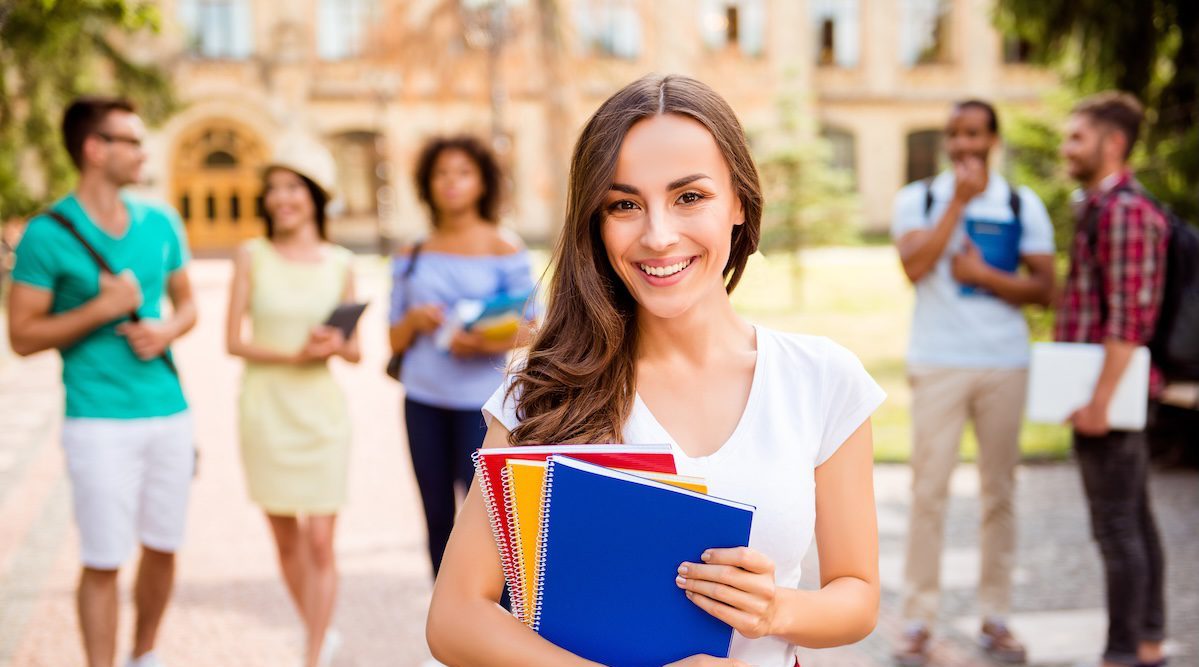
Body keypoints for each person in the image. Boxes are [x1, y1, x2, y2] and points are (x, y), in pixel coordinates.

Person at [425, 74, 886, 665]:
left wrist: (777, 609)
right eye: (625, 205)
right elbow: (455, 616)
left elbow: (859, 595)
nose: (658, 236)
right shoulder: (542, 390)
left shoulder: (822, 379)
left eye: (689, 197)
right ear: (596, 221)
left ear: (739, 202)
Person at [6, 96, 197, 667]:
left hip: (169, 411)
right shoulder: (47, 234)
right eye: (131, 141)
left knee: (164, 546)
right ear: (95, 148)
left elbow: (187, 306)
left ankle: (145, 655)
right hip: (96, 419)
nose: (143, 152)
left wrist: (165, 331)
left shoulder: (161, 220)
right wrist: (103, 308)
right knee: (103, 557)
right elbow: (22, 336)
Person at [890, 100, 1055, 663]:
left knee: (999, 494)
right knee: (928, 493)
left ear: (992, 140)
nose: (963, 144)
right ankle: (917, 620)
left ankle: (995, 616)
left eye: (974, 134)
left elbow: (1046, 288)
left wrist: (984, 275)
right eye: (955, 134)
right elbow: (913, 267)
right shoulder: (920, 200)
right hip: (939, 361)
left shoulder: (1020, 203)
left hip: (1004, 363)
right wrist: (956, 205)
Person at [225, 135, 360, 667]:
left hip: (321, 417)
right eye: (273, 189)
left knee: (321, 543)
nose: (281, 198)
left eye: (293, 188)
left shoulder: (341, 263)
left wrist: (333, 344)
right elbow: (232, 341)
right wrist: (294, 357)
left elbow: (354, 352)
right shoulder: (250, 255)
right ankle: (318, 632)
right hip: (265, 410)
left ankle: (311, 653)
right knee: (285, 543)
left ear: (314, 197)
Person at [388, 136, 536, 578]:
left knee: (493, 521)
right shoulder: (410, 252)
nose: (451, 182)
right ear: (426, 184)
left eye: (463, 172)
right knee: (436, 516)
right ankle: (445, 632)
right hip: (424, 401)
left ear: (483, 182)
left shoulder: (505, 248)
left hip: (486, 407)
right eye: (441, 173)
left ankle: (500, 625)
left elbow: (536, 326)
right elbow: (393, 340)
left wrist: (483, 339)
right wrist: (414, 321)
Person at [1056, 91, 1168, 667]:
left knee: (1118, 527)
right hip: (1104, 393)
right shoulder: (1100, 207)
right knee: (1134, 520)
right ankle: (1146, 643)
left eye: (1078, 136)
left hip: (1111, 399)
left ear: (1113, 143)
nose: (1066, 146)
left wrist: (1098, 402)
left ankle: (1125, 654)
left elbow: (1130, 317)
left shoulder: (1124, 211)